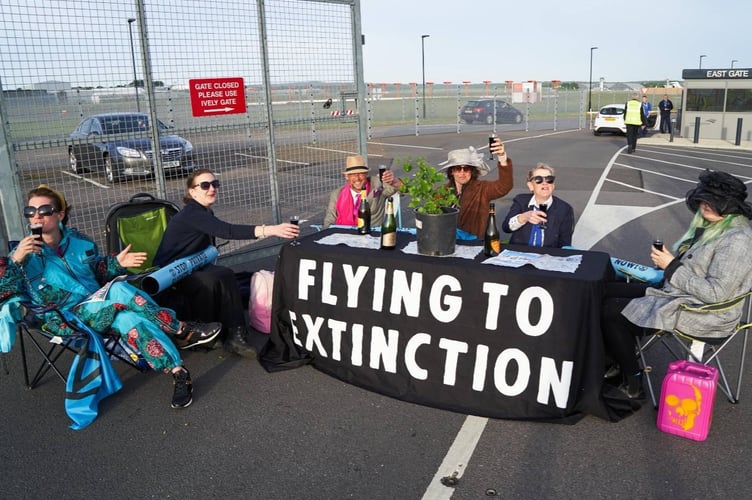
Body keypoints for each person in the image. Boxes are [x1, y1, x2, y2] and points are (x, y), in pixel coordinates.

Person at [0, 185, 222, 409]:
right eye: (30, 212)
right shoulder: (22, 255)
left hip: (98, 301)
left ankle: (178, 371)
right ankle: (181, 329)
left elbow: (97, 270)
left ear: (60, 214)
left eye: (44, 210)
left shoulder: (80, 241)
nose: (36, 216)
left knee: (127, 319)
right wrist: (16, 259)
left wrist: (117, 264)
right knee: (119, 292)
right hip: (65, 316)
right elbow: (4, 292)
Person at [601, 170, 752, 399]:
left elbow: (716, 294)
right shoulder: (715, 227)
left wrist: (671, 266)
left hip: (704, 312)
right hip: (680, 293)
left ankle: (632, 380)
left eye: (715, 201)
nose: (706, 204)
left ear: (732, 207)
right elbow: (697, 269)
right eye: (704, 198)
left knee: (611, 311)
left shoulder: (738, 239)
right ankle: (617, 358)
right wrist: (670, 264)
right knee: (602, 291)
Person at [153, 169, 299, 358]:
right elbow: (227, 231)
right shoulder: (192, 213)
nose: (212, 188)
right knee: (215, 277)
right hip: (170, 275)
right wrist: (271, 229)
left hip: (191, 264)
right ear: (192, 191)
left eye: (215, 184)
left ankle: (234, 333)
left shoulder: (204, 210)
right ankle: (222, 333)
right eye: (205, 185)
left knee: (225, 274)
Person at [440, 138, 513, 238]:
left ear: (472, 171)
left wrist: (502, 157)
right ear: (451, 172)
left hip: (473, 243)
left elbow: (504, 186)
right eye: (457, 168)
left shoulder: (482, 189)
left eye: (466, 168)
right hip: (445, 241)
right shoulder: (441, 191)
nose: (462, 173)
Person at [501, 163, 574, 247]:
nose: (545, 183)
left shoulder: (564, 208)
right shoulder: (521, 201)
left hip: (548, 255)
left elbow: (565, 243)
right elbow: (506, 228)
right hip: (521, 252)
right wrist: (524, 217)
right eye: (538, 179)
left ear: (553, 185)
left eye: (549, 179)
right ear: (531, 186)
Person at [324, 155, 401, 228]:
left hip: (370, 235)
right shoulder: (337, 194)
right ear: (347, 177)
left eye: (361, 173)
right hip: (342, 235)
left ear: (366, 174)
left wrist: (394, 181)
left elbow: (404, 190)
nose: (357, 178)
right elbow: (329, 219)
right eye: (353, 174)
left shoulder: (377, 185)